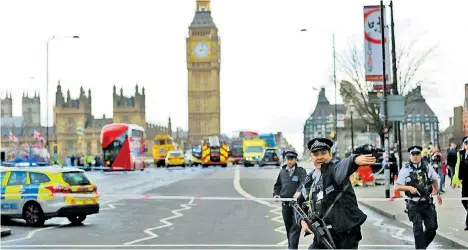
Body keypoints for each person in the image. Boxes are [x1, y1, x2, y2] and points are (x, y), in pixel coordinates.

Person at [295, 138, 375, 249]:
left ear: (330, 155)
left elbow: (343, 165)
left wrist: (354, 160)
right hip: (322, 234)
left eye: (323, 153)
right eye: (316, 154)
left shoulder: (334, 170)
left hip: (345, 235)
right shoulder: (309, 180)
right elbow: (298, 204)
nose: (320, 157)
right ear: (312, 157)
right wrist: (302, 222)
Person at [395, 145, 442, 249]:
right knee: (418, 229)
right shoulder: (405, 169)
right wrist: (409, 188)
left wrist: (438, 193)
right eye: (413, 154)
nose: (415, 156)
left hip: (427, 203)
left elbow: (435, 179)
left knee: (432, 228)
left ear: (420, 155)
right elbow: (398, 187)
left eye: (417, 154)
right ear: (410, 156)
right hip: (414, 204)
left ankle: (421, 247)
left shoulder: (427, 167)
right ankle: (420, 248)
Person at [273, 150, 307, 249]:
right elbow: (278, 185)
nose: (290, 161)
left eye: (292, 159)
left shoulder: (301, 171)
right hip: (285, 204)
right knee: (288, 227)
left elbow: (304, 183)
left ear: (295, 160)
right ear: (285, 160)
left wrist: (299, 191)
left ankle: (292, 247)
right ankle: (291, 246)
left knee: (296, 227)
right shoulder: (283, 171)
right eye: (288, 159)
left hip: (297, 205)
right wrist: (276, 194)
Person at [451, 136, 468, 230]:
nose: (467, 145)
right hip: (464, 181)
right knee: (464, 200)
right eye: (466, 143)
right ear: (464, 145)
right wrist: (454, 181)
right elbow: (457, 168)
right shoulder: (460, 154)